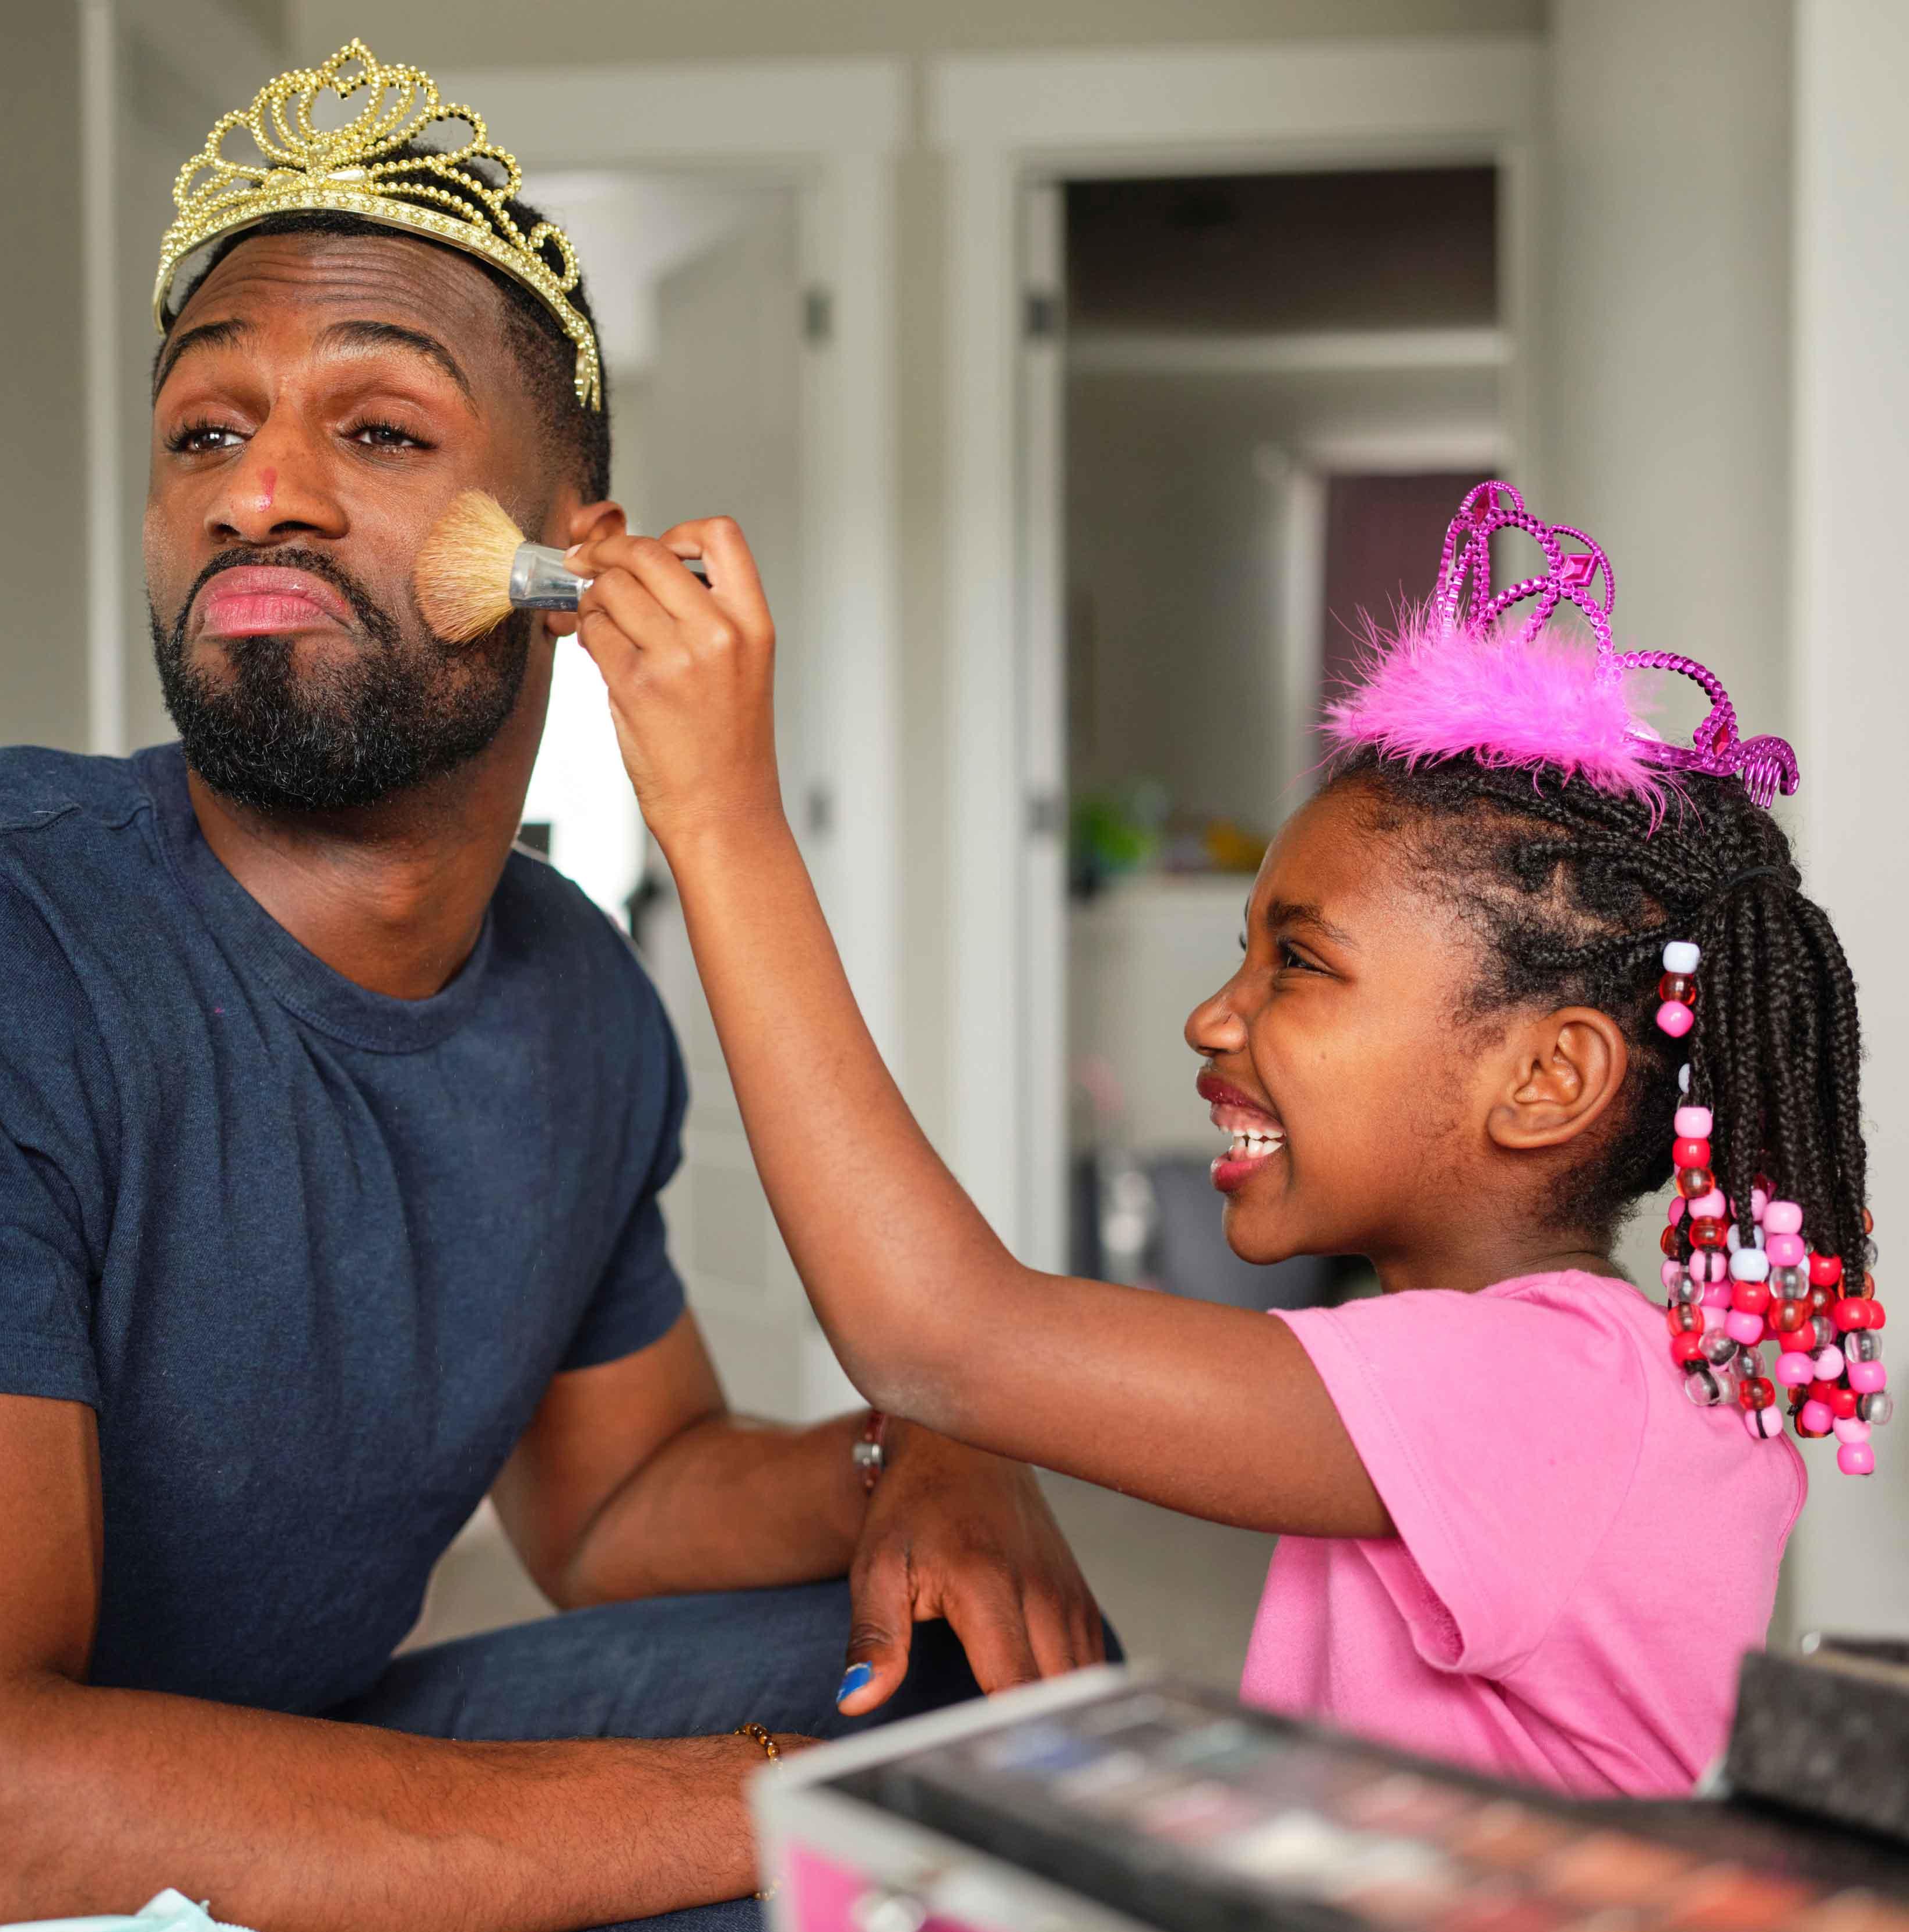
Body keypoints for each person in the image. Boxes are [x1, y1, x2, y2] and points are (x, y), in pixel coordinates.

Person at [0, 43, 1105, 1932]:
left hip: (287, 1760)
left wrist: (915, 1460)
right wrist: (762, 1803)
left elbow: (620, 1502)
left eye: (376, 432)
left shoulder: (575, 1000)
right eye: (203, 433)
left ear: (567, 553)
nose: (256, 493)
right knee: (910, 1880)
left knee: (990, 1683)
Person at [568, 476, 1883, 1797]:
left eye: (1297, 964)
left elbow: (937, 1334)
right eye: (1237, 953)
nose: (1211, 1018)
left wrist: (723, 819)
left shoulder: (1550, 1395)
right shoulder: (1530, 1376)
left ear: (1546, 1078)